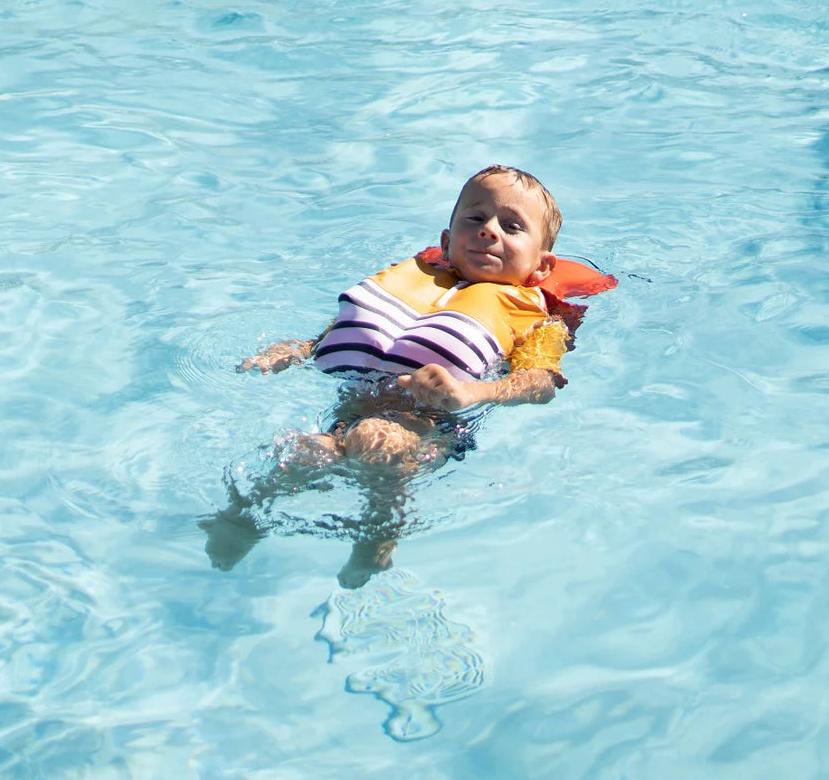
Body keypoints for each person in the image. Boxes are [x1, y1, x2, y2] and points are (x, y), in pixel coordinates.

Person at [202, 165, 578, 587]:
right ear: (447, 241)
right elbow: (352, 330)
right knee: (306, 451)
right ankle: (241, 519)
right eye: (476, 219)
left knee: (375, 438)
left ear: (542, 267)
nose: (490, 230)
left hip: (432, 426)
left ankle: (376, 544)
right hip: (350, 408)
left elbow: (542, 383)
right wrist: (297, 349)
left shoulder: (539, 321)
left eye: (511, 226)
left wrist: (471, 393)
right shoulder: (416, 283)